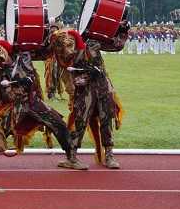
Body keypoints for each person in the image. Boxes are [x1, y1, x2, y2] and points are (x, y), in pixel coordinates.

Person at [49, 27, 126, 170]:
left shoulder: (91, 44)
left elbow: (116, 46)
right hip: (85, 92)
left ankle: (109, 155)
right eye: (62, 46)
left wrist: (122, 31)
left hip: (103, 87)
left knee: (106, 120)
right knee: (80, 122)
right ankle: (71, 157)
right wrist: (79, 80)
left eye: (69, 44)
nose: (66, 49)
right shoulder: (66, 56)